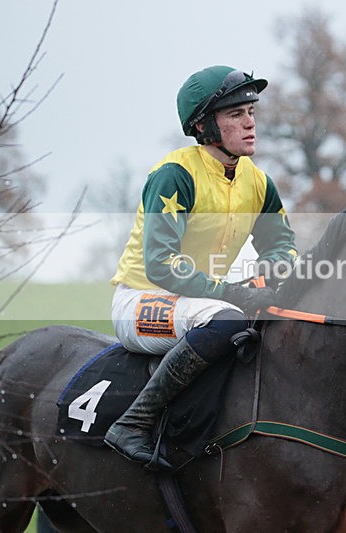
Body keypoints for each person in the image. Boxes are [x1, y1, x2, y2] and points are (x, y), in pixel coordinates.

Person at [104, 65, 297, 469]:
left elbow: (283, 247)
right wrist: (232, 291)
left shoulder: (259, 182)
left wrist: (267, 274)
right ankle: (132, 423)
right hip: (141, 300)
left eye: (251, 112)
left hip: (199, 302)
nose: (250, 123)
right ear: (205, 125)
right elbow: (161, 264)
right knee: (228, 320)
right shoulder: (175, 175)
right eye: (235, 115)